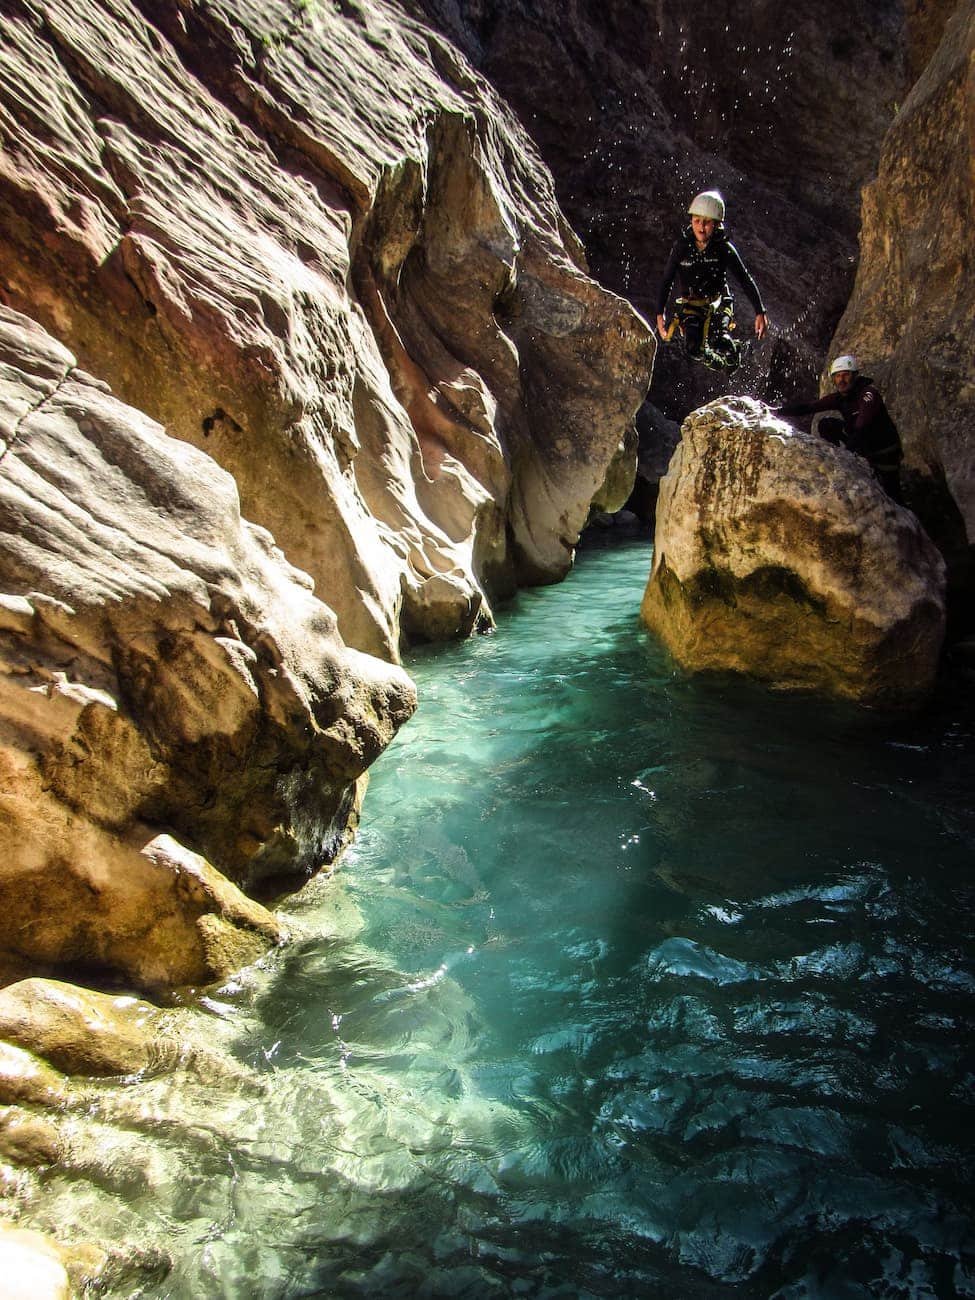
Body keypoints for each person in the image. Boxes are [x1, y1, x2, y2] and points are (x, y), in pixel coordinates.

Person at [656, 190, 769, 372]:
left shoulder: (723, 249)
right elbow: (667, 280)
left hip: (718, 302)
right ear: (691, 220)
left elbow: (744, 278)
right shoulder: (681, 248)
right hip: (692, 305)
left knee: (718, 340)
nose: (701, 227)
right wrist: (660, 312)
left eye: (707, 222)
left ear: (716, 224)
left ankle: (732, 354)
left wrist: (759, 311)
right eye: (697, 221)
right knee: (693, 349)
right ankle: (719, 364)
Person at [775, 354, 904, 502]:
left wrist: (847, 454)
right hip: (862, 442)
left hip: (884, 450)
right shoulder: (841, 398)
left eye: (846, 375)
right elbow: (809, 407)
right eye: (837, 376)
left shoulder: (867, 394)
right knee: (826, 424)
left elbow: (863, 424)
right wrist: (777, 411)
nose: (841, 380)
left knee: (892, 494)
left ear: (855, 376)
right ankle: (852, 460)